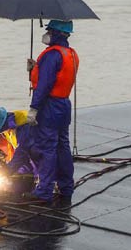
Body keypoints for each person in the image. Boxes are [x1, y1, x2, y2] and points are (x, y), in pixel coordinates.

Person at [26, 20, 79, 203]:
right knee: (62, 147)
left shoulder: (52, 55)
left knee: (47, 148)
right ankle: (66, 186)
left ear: (57, 32)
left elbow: (44, 85)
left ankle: (45, 191)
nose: (46, 33)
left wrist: (34, 107)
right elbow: (59, 77)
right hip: (64, 104)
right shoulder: (71, 54)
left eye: (49, 29)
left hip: (49, 106)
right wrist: (35, 68)